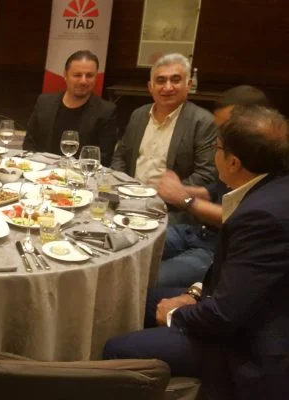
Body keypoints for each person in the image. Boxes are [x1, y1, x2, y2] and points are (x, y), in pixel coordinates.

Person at [103, 106, 289, 399]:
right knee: (134, 297)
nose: (215, 154)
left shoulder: (261, 217)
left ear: (234, 162)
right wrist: (195, 293)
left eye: (217, 148)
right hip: (236, 306)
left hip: (246, 346)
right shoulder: (270, 186)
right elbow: (241, 283)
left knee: (115, 349)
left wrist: (176, 314)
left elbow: (225, 316)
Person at [154, 85, 270, 287]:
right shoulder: (235, 152)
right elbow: (218, 190)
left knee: (143, 282)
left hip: (218, 249)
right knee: (133, 244)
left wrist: (185, 199)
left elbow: (237, 217)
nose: (219, 135)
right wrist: (182, 190)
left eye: (226, 127)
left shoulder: (267, 161)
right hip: (195, 231)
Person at [110, 53, 217, 187]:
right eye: (161, 81)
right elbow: (120, 156)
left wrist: (170, 191)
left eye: (175, 80)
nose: (168, 87)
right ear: (150, 87)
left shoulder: (203, 122)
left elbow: (205, 174)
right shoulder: (138, 115)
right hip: (129, 192)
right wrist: (121, 183)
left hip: (170, 199)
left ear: (188, 85)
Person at [23, 50, 118, 166]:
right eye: (77, 75)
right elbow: (29, 144)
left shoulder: (106, 111)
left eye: (89, 76)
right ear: (65, 75)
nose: (83, 81)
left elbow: (103, 158)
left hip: (79, 175)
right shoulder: (44, 103)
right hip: (40, 172)